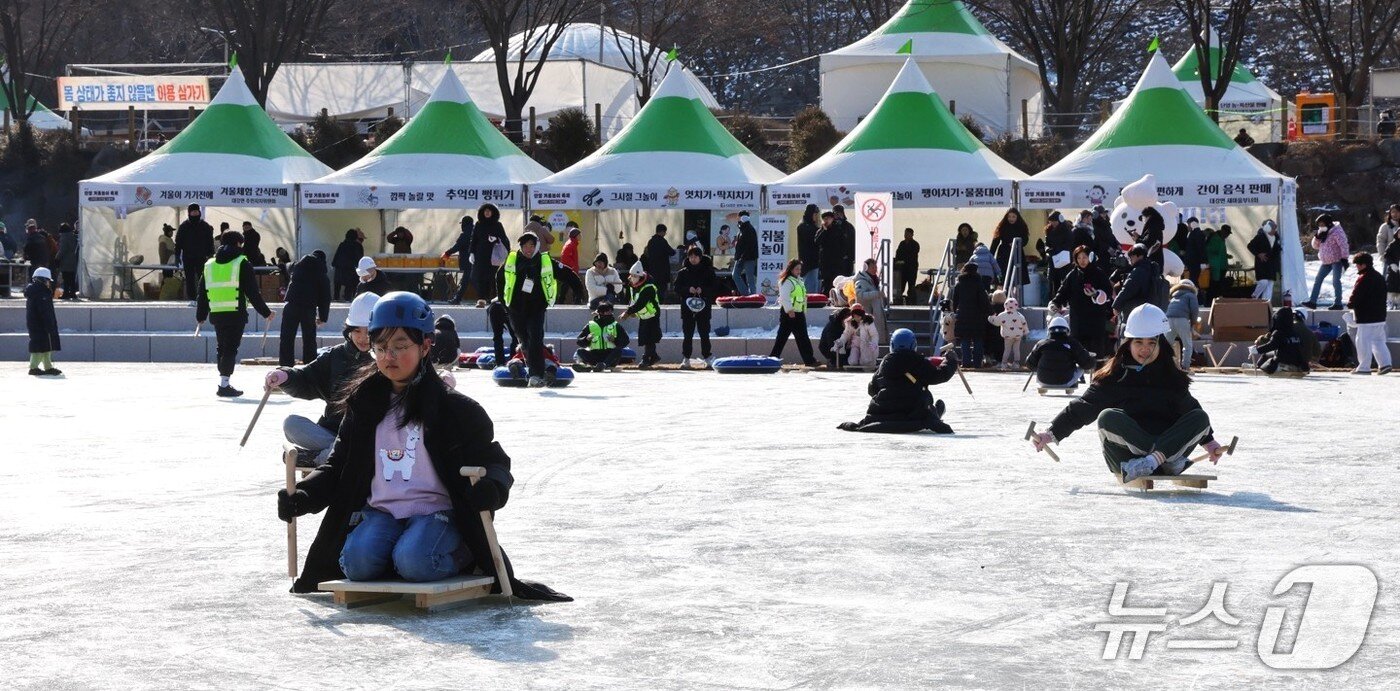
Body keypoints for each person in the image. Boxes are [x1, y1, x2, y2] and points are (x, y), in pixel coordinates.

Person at [276, 291, 569, 602]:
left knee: (415, 561)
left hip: (436, 511)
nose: (389, 357)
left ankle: (462, 553)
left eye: (400, 346)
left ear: (425, 345)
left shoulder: (456, 409)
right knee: (357, 565)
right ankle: (397, 551)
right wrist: (306, 495)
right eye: (381, 348)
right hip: (382, 511)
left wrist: (492, 488)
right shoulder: (364, 403)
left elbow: (494, 462)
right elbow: (337, 465)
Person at [1029, 303, 1226, 483]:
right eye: (1138, 342)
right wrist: (1052, 433)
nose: (1144, 349)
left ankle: (1154, 460)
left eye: (1151, 343)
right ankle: (1161, 459)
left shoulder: (1171, 378)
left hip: (1164, 450)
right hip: (1128, 460)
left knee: (1200, 417)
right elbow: (1083, 407)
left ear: (1160, 344)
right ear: (1128, 344)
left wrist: (1209, 442)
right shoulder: (1115, 377)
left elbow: (1190, 410)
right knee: (1108, 418)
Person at [266, 292, 380, 466]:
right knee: (292, 424)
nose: (363, 338)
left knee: (368, 445)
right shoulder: (335, 356)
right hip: (332, 433)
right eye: (357, 330)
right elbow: (306, 379)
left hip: (371, 437)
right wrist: (285, 376)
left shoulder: (387, 360)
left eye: (369, 332)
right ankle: (335, 453)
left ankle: (320, 458)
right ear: (349, 330)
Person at [196, 231, 273, 397]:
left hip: (216, 312)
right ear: (239, 243)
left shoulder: (209, 265)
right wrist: (266, 313)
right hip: (235, 313)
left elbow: (202, 292)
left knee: (222, 347)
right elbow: (253, 292)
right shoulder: (242, 263)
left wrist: (200, 315)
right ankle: (224, 384)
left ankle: (223, 380)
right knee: (230, 348)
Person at [837, 328, 957, 434]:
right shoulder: (917, 361)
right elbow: (940, 375)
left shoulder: (885, 363)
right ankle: (935, 411)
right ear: (913, 345)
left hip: (882, 413)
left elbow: (872, 389)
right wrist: (951, 360)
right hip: (911, 413)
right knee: (932, 407)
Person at [496, 231, 556, 386]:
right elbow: (500, 279)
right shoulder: (512, 260)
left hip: (537, 308)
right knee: (524, 339)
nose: (528, 249)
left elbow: (563, 272)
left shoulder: (543, 260)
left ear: (536, 246)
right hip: (517, 308)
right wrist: (504, 303)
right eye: (525, 246)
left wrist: (577, 288)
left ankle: (537, 375)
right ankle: (528, 368)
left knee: (535, 337)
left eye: (531, 245)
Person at [1048, 245, 1112, 358]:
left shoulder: (1099, 273)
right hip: (1078, 318)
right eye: (1079, 258)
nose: (1082, 261)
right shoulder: (1072, 275)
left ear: (1090, 257)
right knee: (1077, 350)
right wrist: (1055, 303)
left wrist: (1096, 294)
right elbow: (1063, 292)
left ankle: (1096, 372)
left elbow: (1108, 292)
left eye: (1085, 257)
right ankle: (1078, 374)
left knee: (1096, 350)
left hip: (1095, 318)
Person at [279, 252, 331, 367]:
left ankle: (285, 366)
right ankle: (310, 365)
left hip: (290, 305)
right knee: (309, 338)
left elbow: (287, 267)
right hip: (308, 308)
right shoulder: (321, 273)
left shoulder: (297, 266)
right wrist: (322, 317)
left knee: (287, 337)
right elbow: (325, 297)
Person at [768, 258, 819, 367]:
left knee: (803, 338)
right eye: (797, 269)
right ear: (791, 269)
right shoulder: (787, 281)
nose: (799, 271)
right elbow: (784, 297)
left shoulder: (798, 280)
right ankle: (773, 358)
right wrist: (789, 310)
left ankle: (809, 360)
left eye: (800, 269)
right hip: (789, 314)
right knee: (782, 338)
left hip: (798, 313)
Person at [1347, 252, 1392, 375]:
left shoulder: (1364, 278)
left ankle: (1363, 367)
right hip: (1380, 316)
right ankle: (1385, 364)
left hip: (1366, 318)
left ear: (1363, 265)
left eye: (1357, 264)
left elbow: (1356, 295)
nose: (1356, 267)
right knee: (1378, 341)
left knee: (1362, 341)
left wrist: (1350, 304)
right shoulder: (1379, 277)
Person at [673, 245, 717, 367]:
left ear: (700, 257)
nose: (693, 259)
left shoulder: (708, 271)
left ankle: (707, 357)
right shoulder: (683, 272)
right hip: (687, 308)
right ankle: (686, 358)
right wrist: (688, 289)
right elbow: (676, 288)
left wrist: (702, 290)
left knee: (704, 333)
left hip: (704, 307)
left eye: (695, 256)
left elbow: (714, 287)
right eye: (691, 256)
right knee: (687, 334)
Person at [1026, 316, 1094, 389]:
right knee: (1081, 367)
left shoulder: (1041, 343)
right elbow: (1087, 364)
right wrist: (1090, 357)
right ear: (1067, 330)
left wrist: (1042, 366)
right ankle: (1072, 383)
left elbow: (1029, 363)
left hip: (1043, 381)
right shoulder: (1072, 343)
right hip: (1066, 382)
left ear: (1049, 330)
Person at [620, 261, 661, 368]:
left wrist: (628, 312)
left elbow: (640, 303)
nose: (632, 278)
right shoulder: (633, 286)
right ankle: (653, 356)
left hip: (652, 315)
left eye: (635, 276)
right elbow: (633, 301)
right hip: (643, 315)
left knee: (649, 338)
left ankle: (647, 358)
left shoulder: (648, 287)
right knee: (644, 337)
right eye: (631, 275)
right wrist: (632, 311)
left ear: (640, 276)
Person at [1303, 214, 1349, 309]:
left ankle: (1338, 303)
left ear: (1328, 223)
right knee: (1318, 279)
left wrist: (1344, 258)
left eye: (1322, 224)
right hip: (1325, 261)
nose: (1320, 226)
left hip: (1337, 260)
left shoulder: (1337, 231)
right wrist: (1317, 237)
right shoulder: (1322, 231)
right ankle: (1312, 301)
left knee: (1336, 281)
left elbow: (1344, 244)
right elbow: (1315, 246)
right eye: (1319, 225)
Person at [951, 261, 990, 367]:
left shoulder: (959, 283)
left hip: (963, 314)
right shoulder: (978, 283)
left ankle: (966, 362)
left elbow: (955, 300)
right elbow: (984, 299)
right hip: (977, 315)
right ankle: (977, 363)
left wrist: (954, 311)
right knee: (978, 339)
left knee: (965, 340)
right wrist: (989, 311)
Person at [1251, 307, 1310, 375]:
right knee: (1268, 354)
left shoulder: (1279, 332)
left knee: (1266, 357)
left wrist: (1257, 350)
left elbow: (1271, 345)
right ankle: (1292, 367)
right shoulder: (1295, 333)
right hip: (1296, 362)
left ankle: (1258, 367)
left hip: (1283, 359)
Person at [24, 267, 61, 376]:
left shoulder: (37, 291)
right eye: (48, 280)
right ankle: (33, 367)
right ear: (43, 280)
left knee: (46, 345)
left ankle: (48, 366)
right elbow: (45, 312)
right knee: (39, 346)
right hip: (41, 324)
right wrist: (49, 324)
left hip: (36, 324)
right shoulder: (41, 293)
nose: (49, 283)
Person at [574, 301, 630, 372]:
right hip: (595, 354)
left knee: (618, 350)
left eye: (611, 312)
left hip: (609, 356)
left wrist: (615, 340)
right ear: (600, 313)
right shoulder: (590, 325)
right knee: (580, 351)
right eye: (608, 312)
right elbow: (579, 341)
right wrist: (586, 339)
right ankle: (588, 366)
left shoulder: (616, 325)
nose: (610, 314)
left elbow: (626, 341)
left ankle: (603, 365)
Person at [470, 204, 508, 306]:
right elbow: (474, 240)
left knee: (494, 277)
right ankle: (482, 299)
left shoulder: (498, 225)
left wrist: (496, 239)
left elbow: (505, 240)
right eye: (485, 211)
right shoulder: (478, 224)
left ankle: (497, 298)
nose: (487, 213)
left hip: (494, 256)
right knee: (480, 277)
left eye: (489, 211)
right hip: (480, 255)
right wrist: (472, 253)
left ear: (493, 212)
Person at [175, 204, 215, 300]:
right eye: (193, 212)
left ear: (199, 212)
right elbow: (178, 242)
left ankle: (203, 297)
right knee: (190, 279)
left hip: (202, 257)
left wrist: (211, 254)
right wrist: (177, 255)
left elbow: (210, 241)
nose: (195, 213)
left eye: (196, 211)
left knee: (203, 278)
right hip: (188, 257)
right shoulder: (184, 226)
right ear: (189, 213)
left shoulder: (205, 226)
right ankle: (192, 298)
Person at [1112, 245, 1156, 322]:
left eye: (1132, 256)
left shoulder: (1138, 271)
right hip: (1150, 310)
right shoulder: (1152, 269)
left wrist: (1116, 306)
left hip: (1136, 311)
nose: (1130, 260)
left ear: (1139, 256)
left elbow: (1127, 289)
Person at [990, 208, 1030, 287]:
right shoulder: (1002, 227)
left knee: (1017, 278)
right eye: (1009, 217)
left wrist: (1018, 244)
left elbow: (1025, 240)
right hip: (1004, 254)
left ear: (1017, 217)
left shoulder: (1022, 227)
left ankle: (1016, 297)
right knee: (1003, 277)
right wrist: (990, 257)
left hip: (1017, 253)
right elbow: (995, 242)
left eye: (1013, 217)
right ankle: (1003, 295)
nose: (1011, 219)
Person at [1164, 279, 1199, 370]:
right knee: (1187, 345)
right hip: (1182, 320)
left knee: (1166, 345)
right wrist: (1193, 323)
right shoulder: (1191, 295)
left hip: (1168, 320)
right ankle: (1185, 367)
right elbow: (1194, 310)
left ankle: (1164, 366)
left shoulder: (1173, 296)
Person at [988, 297, 1029, 370]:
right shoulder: (1020, 315)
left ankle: (1004, 364)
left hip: (1008, 336)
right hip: (1018, 335)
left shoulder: (1003, 315)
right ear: (1016, 305)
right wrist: (1026, 332)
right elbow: (1024, 324)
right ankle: (1016, 363)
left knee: (1007, 350)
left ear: (1005, 305)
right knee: (1016, 350)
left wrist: (990, 317)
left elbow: (996, 322)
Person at [835, 303, 879, 370]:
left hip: (867, 345)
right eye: (855, 316)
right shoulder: (850, 323)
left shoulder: (868, 321)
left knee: (865, 362)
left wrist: (874, 343)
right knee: (852, 361)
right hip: (855, 345)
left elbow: (874, 335)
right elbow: (846, 334)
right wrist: (841, 341)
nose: (857, 317)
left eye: (858, 315)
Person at [443, 215, 475, 305]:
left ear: (464, 224)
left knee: (467, 281)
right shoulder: (476, 232)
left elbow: (457, 247)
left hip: (468, 261)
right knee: (470, 280)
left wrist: (447, 253)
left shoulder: (465, 234)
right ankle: (458, 298)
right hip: (477, 261)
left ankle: (457, 299)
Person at [1247, 220, 1282, 302]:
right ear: (1268, 228)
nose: (1275, 230)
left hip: (1271, 264)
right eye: (1273, 229)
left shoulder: (1276, 237)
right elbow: (1250, 246)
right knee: (1263, 282)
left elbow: (1276, 250)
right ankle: (1254, 296)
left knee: (1270, 284)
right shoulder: (1260, 237)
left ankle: (1266, 302)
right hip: (1262, 264)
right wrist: (1258, 254)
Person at [642, 223, 675, 303]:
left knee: (653, 289)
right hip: (662, 271)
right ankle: (660, 303)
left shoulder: (651, 241)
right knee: (661, 290)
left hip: (652, 270)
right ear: (662, 232)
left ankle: (652, 302)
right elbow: (672, 252)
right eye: (665, 232)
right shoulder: (662, 241)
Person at [331, 229, 364, 301]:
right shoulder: (358, 245)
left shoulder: (342, 244)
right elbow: (359, 258)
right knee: (350, 286)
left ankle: (336, 299)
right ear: (356, 237)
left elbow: (336, 256)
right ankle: (348, 300)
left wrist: (333, 264)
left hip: (339, 268)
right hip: (351, 269)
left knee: (337, 285)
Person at [816, 211, 844, 294]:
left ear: (832, 219)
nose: (826, 220)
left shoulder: (838, 229)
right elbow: (817, 242)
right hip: (825, 262)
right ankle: (825, 299)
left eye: (828, 218)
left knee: (836, 282)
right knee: (826, 282)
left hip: (836, 261)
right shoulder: (821, 230)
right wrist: (824, 231)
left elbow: (843, 244)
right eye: (824, 219)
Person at [1204, 225, 1232, 304]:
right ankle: (1211, 302)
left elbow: (1220, 252)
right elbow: (1211, 250)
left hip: (1222, 266)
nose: (1227, 235)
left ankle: (1216, 300)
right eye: (1227, 233)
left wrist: (1227, 256)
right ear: (1223, 231)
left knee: (1218, 285)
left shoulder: (1221, 239)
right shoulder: (1215, 239)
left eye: (1228, 234)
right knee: (1214, 285)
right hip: (1215, 266)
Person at [732, 212, 759, 295]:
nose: (738, 219)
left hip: (748, 258)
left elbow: (749, 246)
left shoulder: (749, 229)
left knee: (749, 278)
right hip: (741, 257)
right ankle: (746, 294)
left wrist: (741, 257)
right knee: (736, 275)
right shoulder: (742, 228)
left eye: (739, 217)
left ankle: (752, 295)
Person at [797, 204, 821, 293]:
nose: (817, 216)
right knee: (810, 287)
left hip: (816, 261)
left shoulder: (814, 227)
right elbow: (811, 240)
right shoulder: (803, 226)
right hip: (808, 262)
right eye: (815, 214)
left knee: (815, 286)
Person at [486, 297, 517, 366]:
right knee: (516, 337)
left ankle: (500, 362)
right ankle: (514, 360)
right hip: (510, 306)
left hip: (495, 306)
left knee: (497, 336)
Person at [893, 227, 920, 305]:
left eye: (907, 234)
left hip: (912, 268)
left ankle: (911, 301)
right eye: (905, 233)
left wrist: (904, 260)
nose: (905, 235)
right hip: (902, 269)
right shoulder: (902, 243)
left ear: (912, 235)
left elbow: (912, 255)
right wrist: (898, 261)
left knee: (911, 285)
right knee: (901, 285)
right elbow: (898, 253)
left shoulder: (915, 244)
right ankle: (899, 300)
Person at [55, 222, 79, 299]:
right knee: (72, 278)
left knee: (66, 278)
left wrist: (57, 258)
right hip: (73, 260)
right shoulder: (73, 236)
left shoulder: (64, 237)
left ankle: (66, 293)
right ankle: (72, 293)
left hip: (66, 261)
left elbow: (62, 249)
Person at [1181, 217, 1207, 286]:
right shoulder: (1193, 233)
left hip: (1195, 263)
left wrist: (1203, 262)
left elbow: (1201, 248)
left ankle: (1198, 296)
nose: (1188, 226)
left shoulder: (1197, 234)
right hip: (1192, 263)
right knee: (1193, 282)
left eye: (1188, 224)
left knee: (1193, 282)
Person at [832, 205, 857, 276]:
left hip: (847, 260)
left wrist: (852, 257)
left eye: (839, 213)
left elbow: (853, 243)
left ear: (843, 213)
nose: (837, 216)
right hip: (834, 261)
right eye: (835, 214)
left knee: (846, 281)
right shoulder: (830, 227)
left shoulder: (849, 227)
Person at [1385, 224, 1400, 310]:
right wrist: (1392, 264)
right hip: (1393, 270)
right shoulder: (1392, 244)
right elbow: (1387, 256)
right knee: (1391, 287)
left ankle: (1398, 303)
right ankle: (1390, 303)